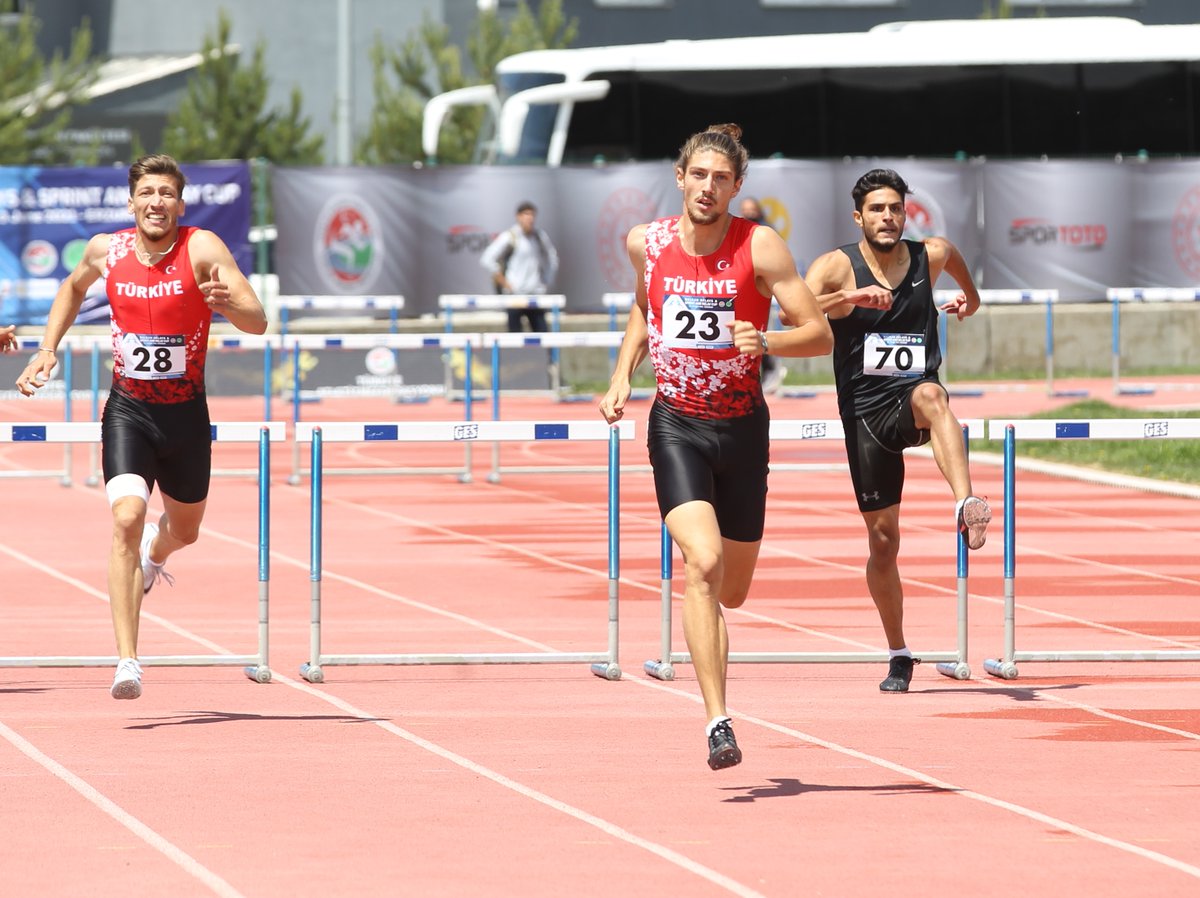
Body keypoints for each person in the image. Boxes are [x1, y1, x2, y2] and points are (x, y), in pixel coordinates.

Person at [599, 124, 832, 770]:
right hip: (676, 423)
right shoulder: (647, 243)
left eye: (720, 178)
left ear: (737, 186)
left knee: (732, 590)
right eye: (698, 175)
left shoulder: (759, 247)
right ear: (680, 178)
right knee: (699, 564)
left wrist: (769, 342)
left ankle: (716, 679)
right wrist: (623, 373)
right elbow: (645, 310)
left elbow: (818, 334)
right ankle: (716, 721)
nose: (707, 187)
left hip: (743, 428)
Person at [15, 153, 267, 701]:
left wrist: (227, 306)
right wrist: (46, 349)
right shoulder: (108, 250)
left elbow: (259, 321)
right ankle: (127, 661)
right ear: (131, 202)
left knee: (186, 531)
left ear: (181, 202)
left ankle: (158, 555)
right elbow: (71, 290)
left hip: (186, 415)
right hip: (128, 409)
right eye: (147, 193)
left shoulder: (201, 248)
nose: (157, 202)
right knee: (126, 517)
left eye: (167, 194)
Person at [802, 168, 991, 694]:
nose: (888, 217)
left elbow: (956, 264)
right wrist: (850, 300)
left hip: (912, 397)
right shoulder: (837, 265)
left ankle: (965, 503)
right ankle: (899, 652)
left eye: (896, 209)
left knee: (933, 395)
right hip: (865, 413)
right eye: (878, 209)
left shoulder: (928, 254)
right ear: (858, 215)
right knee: (884, 542)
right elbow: (791, 307)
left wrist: (967, 302)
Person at [480, 200, 560, 332]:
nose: (530, 218)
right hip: (515, 295)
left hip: (535, 294)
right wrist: (505, 283)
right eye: (526, 214)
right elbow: (487, 259)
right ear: (518, 217)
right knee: (515, 340)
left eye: (532, 215)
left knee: (544, 337)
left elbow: (552, 257)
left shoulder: (539, 236)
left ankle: (548, 354)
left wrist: (547, 280)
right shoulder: (510, 236)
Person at [739, 197, 787, 394]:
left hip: (763, 292)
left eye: (752, 210)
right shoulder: (738, 233)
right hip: (742, 292)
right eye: (745, 210)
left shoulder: (767, 235)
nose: (749, 214)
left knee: (760, 334)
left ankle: (771, 371)